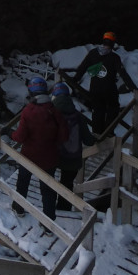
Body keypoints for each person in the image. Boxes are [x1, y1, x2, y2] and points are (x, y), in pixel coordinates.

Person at [9, 76, 69, 221]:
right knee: (48, 189)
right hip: (49, 157)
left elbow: (20, 137)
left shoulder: (28, 111)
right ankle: (48, 221)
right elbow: (64, 137)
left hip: (29, 156)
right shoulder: (54, 111)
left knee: (23, 182)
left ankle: (19, 208)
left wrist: (9, 133)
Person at [70, 31, 137, 137]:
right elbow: (123, 74)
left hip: (95, 89)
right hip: (110, 90)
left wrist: (74, 81)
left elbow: (82, 68)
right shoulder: (114, 58)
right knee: (113, 109)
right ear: (113, 43)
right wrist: (134, 89)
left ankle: (97, 134)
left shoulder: (93, 53)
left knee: (97, 110)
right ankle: (108, 132)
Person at [50, 82, 94, 212]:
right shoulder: (78, 116)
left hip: (54, 156)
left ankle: (48, 206)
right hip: (73, 159)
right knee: (67, 183)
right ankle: (63, 209)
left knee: (48, 179)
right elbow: (89, 142)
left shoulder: (50, 114)